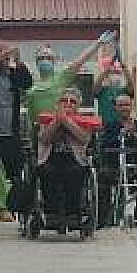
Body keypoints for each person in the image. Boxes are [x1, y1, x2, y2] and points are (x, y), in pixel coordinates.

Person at [0, 42, 32, 228]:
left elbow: (27, 82)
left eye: (5, 53)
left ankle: (19, 210)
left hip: (11, 133)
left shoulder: (14, 73)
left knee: (16, 175)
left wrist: (18, 62)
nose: (3, 56)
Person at [25, 33, 114, 135]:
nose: (45, 61)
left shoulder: (61, 78)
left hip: (61, 129)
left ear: (54, 61)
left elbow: (80, 60)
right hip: (39, 132)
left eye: (48, 58)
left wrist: (97, 44)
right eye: (41, 58)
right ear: (36, 62)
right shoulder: (31, 84)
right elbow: (30, 116)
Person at [36, 88, 95, 223]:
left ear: (78, 105)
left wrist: (67, 122)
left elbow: (84, 139)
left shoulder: (85, 121)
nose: (68, 103)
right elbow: (43, 139)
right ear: (58, 104)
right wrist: (57, 121)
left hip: (74, 159)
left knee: (75, 172)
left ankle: (72, 212)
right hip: (51, 157)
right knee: (46, 172)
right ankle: (51, 212)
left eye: (72, 101)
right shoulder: (47, 119)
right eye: (64, 100)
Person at [98, 93, 137, 225]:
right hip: (115, 166)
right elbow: (105, 146)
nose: (124, 108)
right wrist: (121, 135)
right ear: (115, 108)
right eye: (121, 105)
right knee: (103, 177)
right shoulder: (110, 125)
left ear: (131, 107)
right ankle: (104, 218)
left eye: (127, 105)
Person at [92, 60, 137, 128]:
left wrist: (125, 70)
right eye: (113, 73)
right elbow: (96, 88)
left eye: (117, 73)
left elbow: (131, 86)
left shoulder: (123, 91)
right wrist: (105, 72)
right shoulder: (103, 91)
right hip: (105, 127)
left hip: (121, 126)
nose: (115, 76)